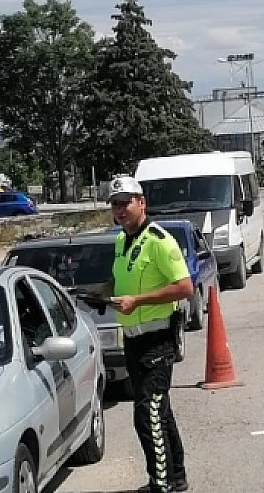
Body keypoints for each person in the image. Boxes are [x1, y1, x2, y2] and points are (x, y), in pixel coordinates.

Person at [106, 175, 193, 493]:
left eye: (125, 202)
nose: (120, 209)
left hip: (157, 340)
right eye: (115, 204)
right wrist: (104, 295)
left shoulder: (159, 240)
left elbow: (185, 287)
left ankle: (161, 484)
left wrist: (137, 301)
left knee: (147, 413)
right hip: (133, 339)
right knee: (160, 409)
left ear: (141, 202)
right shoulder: (120, 241)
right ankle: (176, 476)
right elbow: (123, 283)